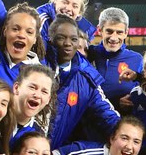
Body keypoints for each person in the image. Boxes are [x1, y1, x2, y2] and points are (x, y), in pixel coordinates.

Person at [45, 15, 119, 147]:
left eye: (73, 39)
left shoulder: (87, 78)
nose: (68, 43)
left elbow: (107, 114)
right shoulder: (34, 66)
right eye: (62, 38)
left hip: (52, 154)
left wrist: (127, 134)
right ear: (50, 40)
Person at [88, 7, 142, 104]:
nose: (114, 38)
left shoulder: (137, 59)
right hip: (88, 118)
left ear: (126, 33)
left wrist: (133, 98)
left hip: (123, 118)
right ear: (100, 30)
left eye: (119, 32)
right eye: (109, 31)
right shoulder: (88, 54)